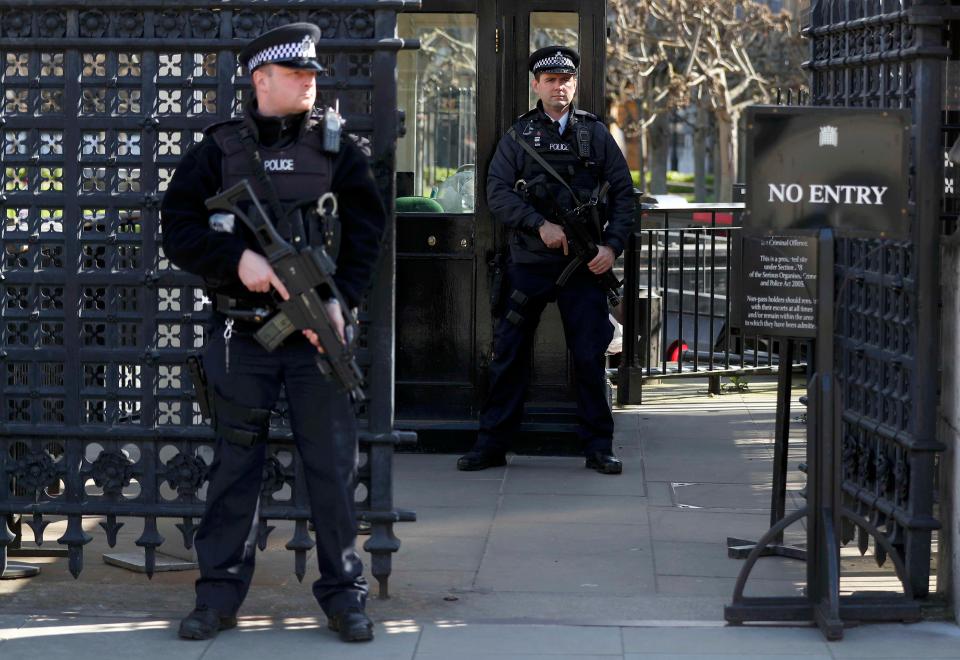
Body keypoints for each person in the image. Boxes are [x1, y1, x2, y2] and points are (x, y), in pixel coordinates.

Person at [160, 23, 386, 643]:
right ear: (260, 79)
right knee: (236, 466)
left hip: (315, 337)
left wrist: (341, 301)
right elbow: (175, 228)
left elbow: (367, 232)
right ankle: (218, 596)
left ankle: (345, 595)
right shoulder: (218, 150)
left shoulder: (339, 148)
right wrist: (238, 262)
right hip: (241, 335)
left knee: (332, 470)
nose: (311, 83)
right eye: (297, 75)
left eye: (314, 75)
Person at [457, 46, 635, 475]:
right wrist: (539, 224)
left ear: (575, 83)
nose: (560, 86)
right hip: (531, 262)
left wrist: (611, 247)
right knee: (510, 355)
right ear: (536, 85)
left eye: (566, 79)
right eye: (551, 80)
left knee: (590, 357)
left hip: (585, 266)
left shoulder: (594, 134)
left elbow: (625, 195)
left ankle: (598, 447)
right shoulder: (519, 136)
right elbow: (497, 190)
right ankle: (492, 445)